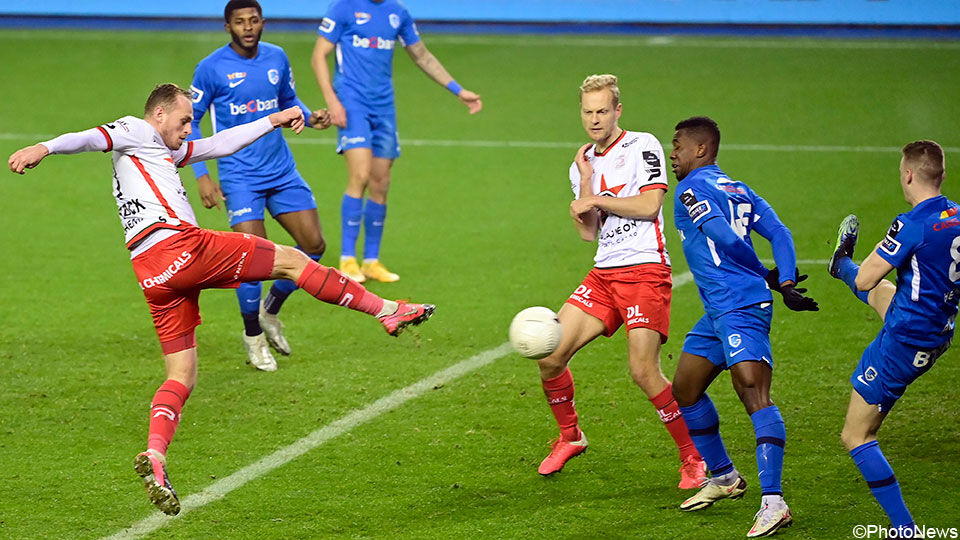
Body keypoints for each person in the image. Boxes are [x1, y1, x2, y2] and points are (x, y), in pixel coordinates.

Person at [7, 83, 435, 516]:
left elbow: (218, 143)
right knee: (291, 260)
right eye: (184, 119)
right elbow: (88, 137)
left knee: (182, 374)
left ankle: (155, 457)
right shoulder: (136, 130)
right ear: (158, 116)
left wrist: (273, 119)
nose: (189, 127)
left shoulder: (161, 149)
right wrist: (43, 147)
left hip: (152, 273)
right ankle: (385, 310)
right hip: (182, 247)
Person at [533, 74, 707, 489]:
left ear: (617, 111)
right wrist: (587, 183)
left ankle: (693, 459)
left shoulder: (642, 145)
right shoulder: (581, 164)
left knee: (643, 371)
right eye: (588, 112)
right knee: (550, 355)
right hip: (604, 272)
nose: (594, 120)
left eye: (602, 111)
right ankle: (570, 436)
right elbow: (588, 233)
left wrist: (594, 199)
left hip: (645, 269)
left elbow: (649, 206)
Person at [668, 116, 818, 537]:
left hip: (741, 305)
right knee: (686, 389)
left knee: (752, 389)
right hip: (718, 310)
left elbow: (726, 238)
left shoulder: (691, 189)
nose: (672, 153)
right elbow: (780, 232)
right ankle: (724, 477)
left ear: (701, 150)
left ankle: (774, 501)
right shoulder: (738, 188)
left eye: (677, 145)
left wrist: (770, 278)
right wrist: (784, 278)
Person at [189, 0, 332, 371]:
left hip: (281, 170)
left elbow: (287, 100)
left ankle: (270, 310)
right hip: (239, 177)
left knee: (313, 245)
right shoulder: (210, 68)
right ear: (228, 27)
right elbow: (191, 121)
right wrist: (202, 175)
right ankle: (253, 336)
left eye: (254, 21)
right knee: (251, 260)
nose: (248, 27)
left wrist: (310, 116)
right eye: (240, 22)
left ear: (263, 23)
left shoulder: (277, 57)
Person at [827, 140, 957, 535]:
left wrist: (877, 258)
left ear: (908, 174)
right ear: (942, 175)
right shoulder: (956, 216)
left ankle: (904, 528)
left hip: (903, 342)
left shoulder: (912, 223)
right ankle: (840, 264)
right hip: (938, 330)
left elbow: (870, 278)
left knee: (856, 434)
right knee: (889, 297)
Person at [310, 0, 482, 284]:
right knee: (361, 175)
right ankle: (347, 258)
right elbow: (319, 55)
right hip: (352, 103)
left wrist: (458, 90)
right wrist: (333, 101)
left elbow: (422, 56)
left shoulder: (397, 13)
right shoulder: (343, 8)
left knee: (381, 182)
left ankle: (371, 261)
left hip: (384, 107)